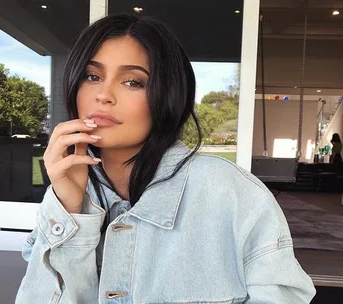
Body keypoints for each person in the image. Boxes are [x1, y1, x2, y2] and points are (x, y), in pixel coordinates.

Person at [16, 14, 316, 304]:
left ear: (167, 94)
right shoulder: (68, 198)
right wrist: (69, 209)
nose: (103, 95)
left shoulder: (233, 194)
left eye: (133, 82)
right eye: (92, 76)